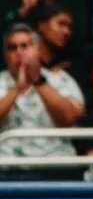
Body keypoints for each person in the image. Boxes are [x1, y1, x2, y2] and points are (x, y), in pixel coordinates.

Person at [0, 21, 84, 158]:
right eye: (12, 48)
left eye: (25, 46)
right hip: (8, 164)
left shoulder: (60, 78)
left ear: (37, 49)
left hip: (55, 162)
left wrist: (38, 81)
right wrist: (17, 89)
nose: (19, 52)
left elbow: (69, 119)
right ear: (5, 54)